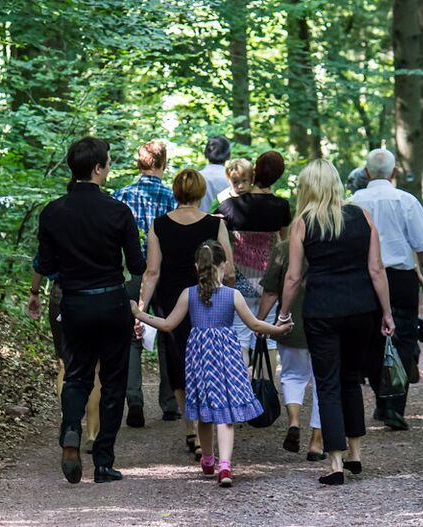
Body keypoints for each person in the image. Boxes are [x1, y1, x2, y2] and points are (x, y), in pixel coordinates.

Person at [131, 240, 292, 487]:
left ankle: (208, 460)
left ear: (197, 266)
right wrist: (278, 330)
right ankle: (225, 467)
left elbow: (167, 325)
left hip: (200, 358)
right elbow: (256, 325)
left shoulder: (189, 294)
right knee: (225, 412)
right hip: (226, 356)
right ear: (224, 265)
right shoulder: (232, 295)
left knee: (205, 413)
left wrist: (140, 314)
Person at [34, 137, 145, 484]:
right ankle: (103, 463)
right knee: (112, 381)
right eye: (108, 162)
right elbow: (137, 264)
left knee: (77, 373)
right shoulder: (118, 210)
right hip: (112, 301)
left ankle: (71, 430)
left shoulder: (52, 212)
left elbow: (47, 263)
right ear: (98, 168)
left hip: (75, 303)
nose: (109, 167)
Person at [277, 158, 395, 486]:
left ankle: (336, 462)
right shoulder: (361, 216)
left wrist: (284, 314)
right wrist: (386, 312)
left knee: (327, 383)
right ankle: (356, 453)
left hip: (322, 312)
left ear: (309, 187)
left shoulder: (304, 222)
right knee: (351, 379)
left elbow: (293, 276)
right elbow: (376, 269)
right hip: (361, 310)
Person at [138, 169, 235, 460]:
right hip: (207, 297)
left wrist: (141, 309)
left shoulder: (158, 225)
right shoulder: (214, 224)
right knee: (208, 360)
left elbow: (152, 271)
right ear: (201, 191)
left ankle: (191, 428)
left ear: (176, 192)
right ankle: (210, 424)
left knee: (179, 361)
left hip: (172, 301)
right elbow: (227, 270)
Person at [351, 148, 423, 431]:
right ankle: (394, 405)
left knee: (370, 337)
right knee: (402, 338)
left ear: (367, 173)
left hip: (365, 278)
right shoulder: (407, 201)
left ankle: (381, 397)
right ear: (394, 172)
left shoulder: (353, 202)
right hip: (401, 280)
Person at [112, 141, 180, 428]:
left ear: (138, 164)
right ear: (163, 163)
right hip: (164, 272)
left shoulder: (120, 195)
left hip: (131, 271)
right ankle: (170, 402)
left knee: (130, 335)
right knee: (168, 334)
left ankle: (134, 400)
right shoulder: (171, 196)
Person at [217, 151, 291, 365]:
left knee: (240, 335)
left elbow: (214, 230)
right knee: (268, 335)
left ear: (255, 171)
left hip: (240, 278)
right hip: (270, 279)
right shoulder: (281, 206)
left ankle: (242, 386)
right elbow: (284, 245)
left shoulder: (231, 206)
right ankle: (265, 388)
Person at [256, 240, 324, 461]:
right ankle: (316, 442)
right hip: (325, 323)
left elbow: (271, 291)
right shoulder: (334, 242)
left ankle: (294, 422)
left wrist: (259, 321)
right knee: (324, 383)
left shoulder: (285, 247)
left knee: (292, 376)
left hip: (290, 325)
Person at [27, 268, 100, 454]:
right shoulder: (100, 236)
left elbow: (41, 261)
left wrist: (34, 292)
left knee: (65, 363)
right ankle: (93, 435)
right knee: (95, 365)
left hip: (62, 294)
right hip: (94, 294)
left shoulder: (54, 236)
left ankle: (69, 423)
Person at [198, 136, 232, 212]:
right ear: (228, 155)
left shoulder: (196, 178)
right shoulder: (233, 179)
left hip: (199, 222)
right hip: (227, 223)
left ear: (205, 154)